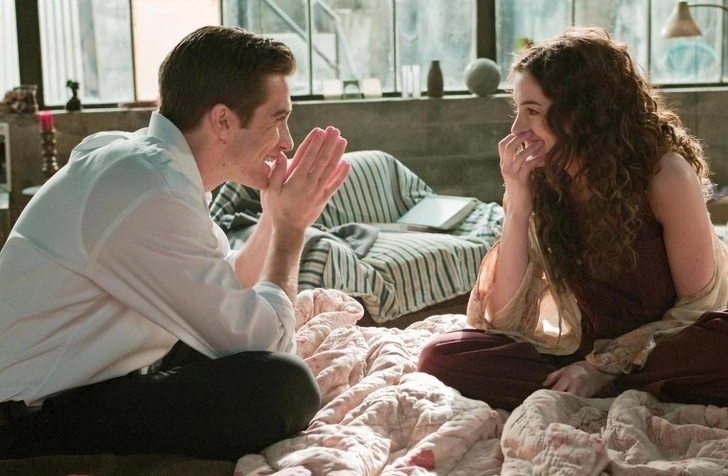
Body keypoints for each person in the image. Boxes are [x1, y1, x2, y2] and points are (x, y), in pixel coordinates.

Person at [0, 25, 351, 461]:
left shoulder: (150, 166)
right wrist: (291, 231)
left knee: (247, 364)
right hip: (26, 420)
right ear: (223, 121)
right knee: (285, 387)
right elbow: (269, 344)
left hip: (91, 381)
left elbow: (224, 287)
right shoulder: (147, 188)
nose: (287, 141)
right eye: (277, 119)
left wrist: (276, 218)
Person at [418, 27, 728, 411]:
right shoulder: (546, 179)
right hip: (583, 352)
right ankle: (613, 393)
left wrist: (601, 368)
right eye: (517, 110)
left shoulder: (665, 176)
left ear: (582, 114)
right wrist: (518, 204)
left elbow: (697, 310)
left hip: (666, 347)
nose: (517, 130)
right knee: (441, 356)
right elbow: (501, 319)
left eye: (533, 111)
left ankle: (602, 390)